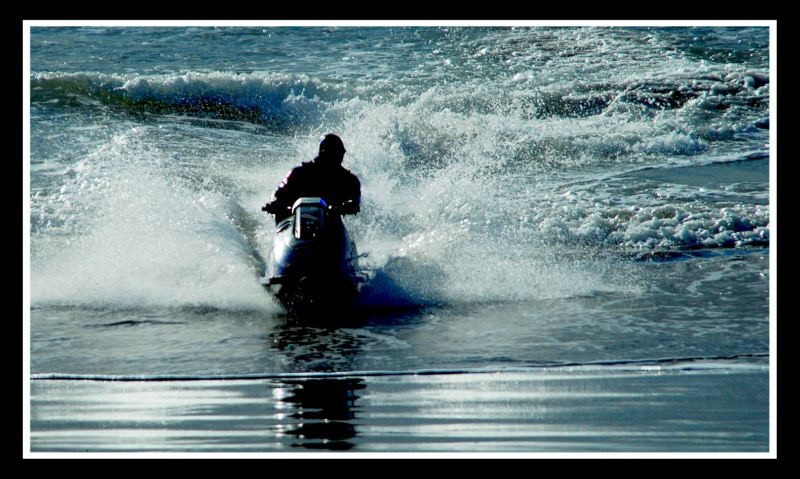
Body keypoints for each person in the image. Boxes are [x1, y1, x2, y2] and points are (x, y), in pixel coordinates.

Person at [262, 133, 361, 224]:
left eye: (339, 154)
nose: (337, 158)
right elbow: (278, 193)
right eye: (332, 154)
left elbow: (355, 204)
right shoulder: (299, 172)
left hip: (329, 226)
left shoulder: (349, 180)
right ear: (322, 152)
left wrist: (341, 208)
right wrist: (274, 203)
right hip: (295, 222)